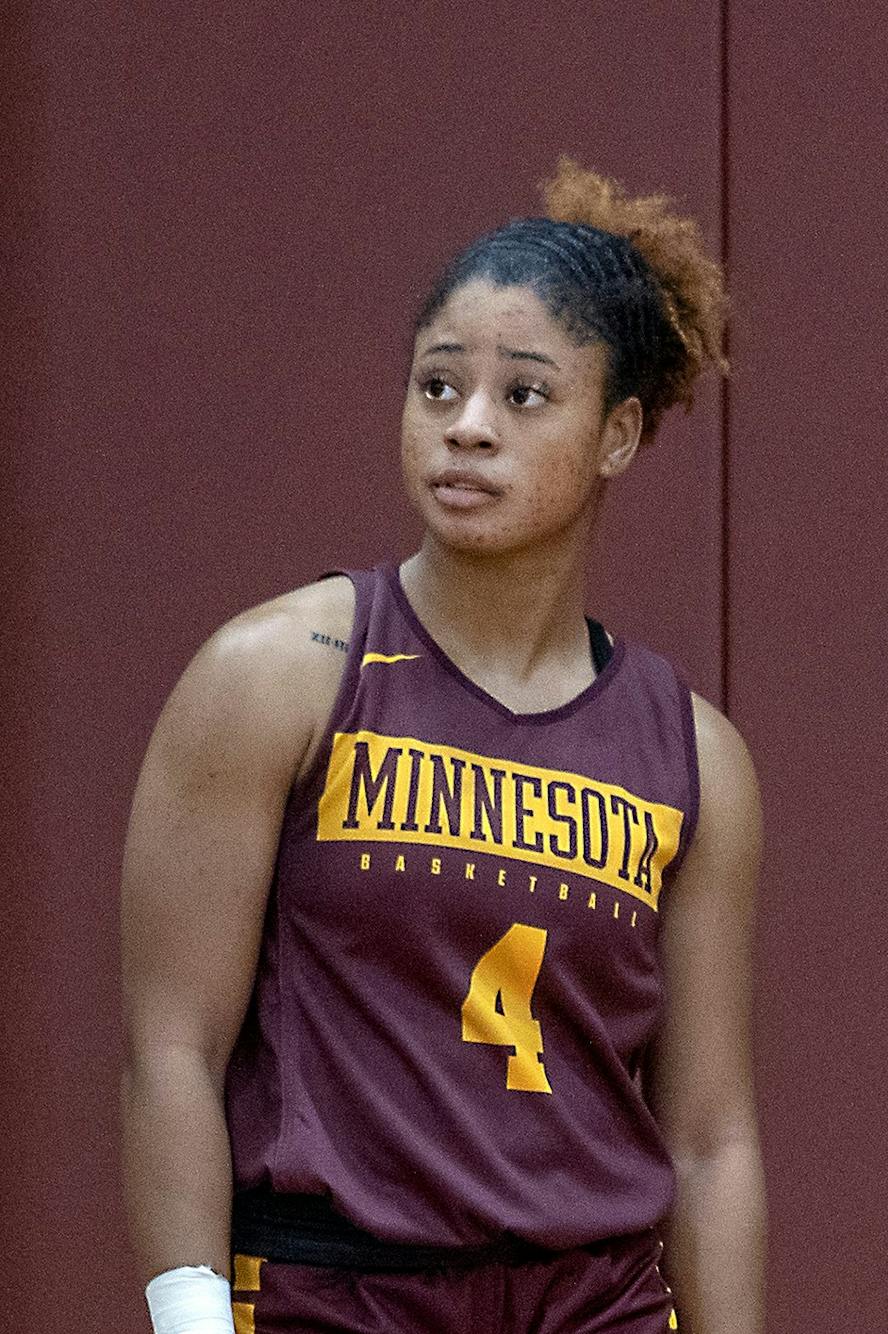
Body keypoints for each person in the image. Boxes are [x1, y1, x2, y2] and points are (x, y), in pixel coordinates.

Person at [121, 161, 762, 1334]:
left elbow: (711, 1135)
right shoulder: (277, 675)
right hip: (336, 1289)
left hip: (594, 1298)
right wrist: (189, 1316)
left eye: (523, 397)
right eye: (437, 386)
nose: (466, 427)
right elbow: (172, 1045)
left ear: (618, 433)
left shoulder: (693, 755)